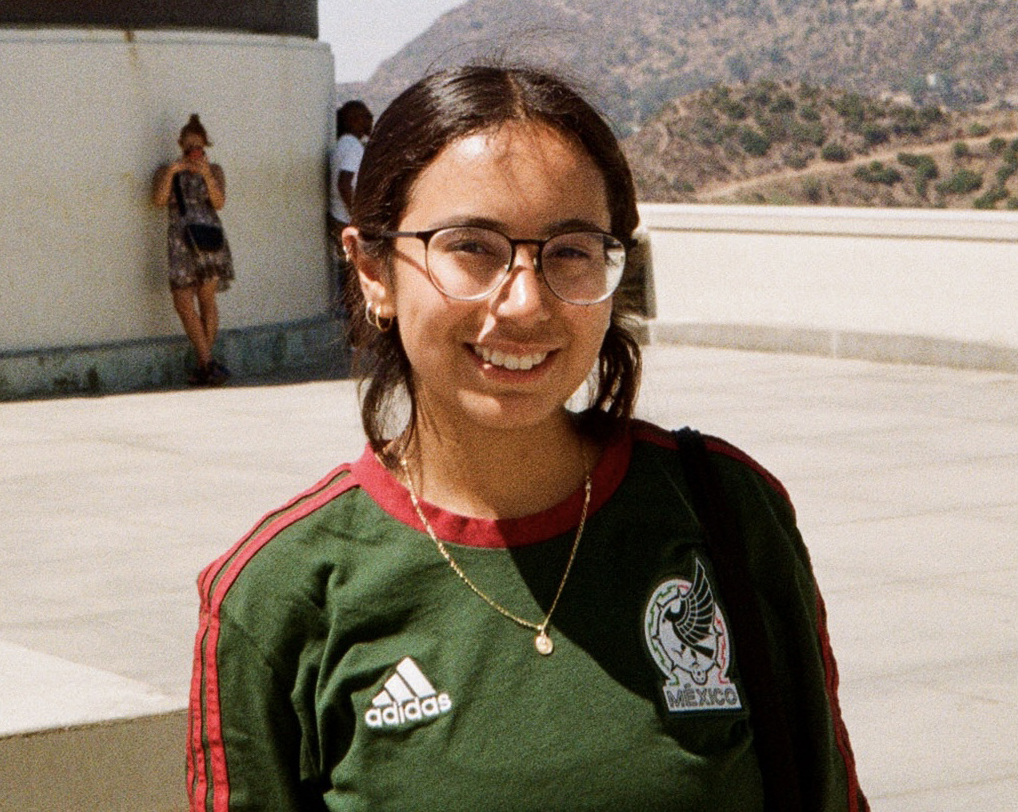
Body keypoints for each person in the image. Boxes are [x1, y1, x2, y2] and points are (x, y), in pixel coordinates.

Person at [187, 65, 868, 811]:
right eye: (472, 247)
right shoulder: (277, 599)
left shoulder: (725, 513)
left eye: (570, 251)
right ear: (373, 270)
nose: (523, 302)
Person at [153, 114, 233, 385]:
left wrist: (206, 174)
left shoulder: (215, 170)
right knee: (182, 301)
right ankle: (208, 363)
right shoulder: (168, 171)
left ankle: (205, 366)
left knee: (207, 299)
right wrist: (174, 171)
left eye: (198, 147)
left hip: (209, 240)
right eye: (188, 147)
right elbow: (159, 200)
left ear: (206, 146)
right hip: (180, 242)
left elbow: (219, 202)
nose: (193, 152)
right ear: (180, 145)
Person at [328, 100, 373, 307]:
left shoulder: (343, 143)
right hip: (346, 220)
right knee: (355, 278)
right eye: (366, 116)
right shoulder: (353, 147)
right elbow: (344, 184)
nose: (370, 120)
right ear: (353, 120)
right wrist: (358, 217)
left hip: (339, 217)